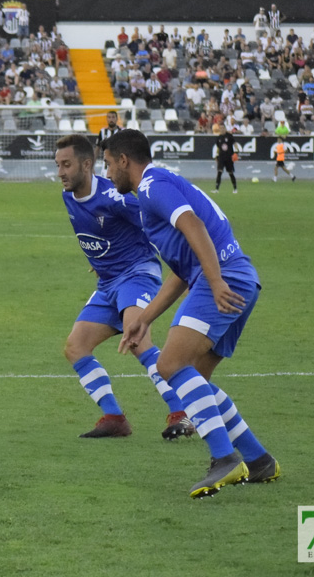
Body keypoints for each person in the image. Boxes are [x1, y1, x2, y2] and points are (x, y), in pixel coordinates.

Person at [102, 130, 280, 498]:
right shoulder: (158, 186)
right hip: (238, 278)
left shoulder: (152, 187)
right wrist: (145, 318)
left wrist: (215, 282)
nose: (107, 174)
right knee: (196, 379)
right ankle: (259, 460)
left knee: (169, 366)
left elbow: (195, 227)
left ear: (123, 160)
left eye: (107, 164)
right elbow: (183, 270)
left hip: (224, 278)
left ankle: (224, 459)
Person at [54, 135, 195, 440]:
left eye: (66, 164)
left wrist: (186, 269)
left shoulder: (115, 198)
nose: (61, 171)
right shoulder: (68, 196)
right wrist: (99, 259)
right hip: (107, 284)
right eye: (58, 165)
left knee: (137, 339)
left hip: (137, 275)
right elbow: (95, 234)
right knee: (75, 347)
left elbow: (157, 224)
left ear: (87, 164)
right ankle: (115, 418)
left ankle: (181, 412)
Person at [213, 123, 238, 193]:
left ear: (225, 129)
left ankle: (235, 188)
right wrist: (216, 155)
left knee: (230, 172)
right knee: (219, 172)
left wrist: (236, 152)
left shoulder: (229, 136)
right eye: (220, 128)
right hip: (221, 157)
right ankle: (216, 189)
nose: (222, 129)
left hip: (229, 157)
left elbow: (235, 144)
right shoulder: (219, 138)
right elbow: (218, 148)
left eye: (223, 128)